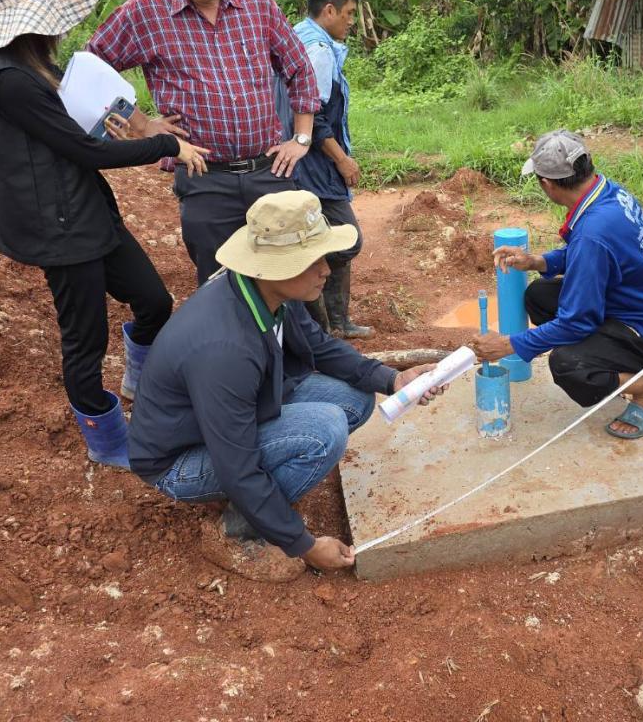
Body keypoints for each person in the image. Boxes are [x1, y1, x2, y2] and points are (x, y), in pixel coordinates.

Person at [127, 190, 445, 579]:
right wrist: (303, 545)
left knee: (355, 398)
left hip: (233, 415)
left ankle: (265, 500)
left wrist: (392, 378)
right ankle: (239, 529)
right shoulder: (225, 350)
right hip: (178, 461)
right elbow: (237, 466)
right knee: (324, 430)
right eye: (312, 260)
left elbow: (318, 345)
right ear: (274, 266)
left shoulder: (267, 291)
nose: (326, 270)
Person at [0, 0, 209, 467]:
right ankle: (108, 443)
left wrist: (126, 123)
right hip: (57, 228)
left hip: (83, 210)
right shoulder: (8, 78)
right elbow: (85, 151)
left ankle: (140, 383)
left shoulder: (33, 66)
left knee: (152, 300)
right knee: (85, 340)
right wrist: (166, 145)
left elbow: (66, 139)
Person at [87, 0, 321, 285]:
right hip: (204, 179)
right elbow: (91, 66)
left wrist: (301, 138)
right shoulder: (145, 13)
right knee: (221, 285)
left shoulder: (257, 5)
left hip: (269, 171)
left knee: (289, 278)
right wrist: (144, 124)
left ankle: (292, 347)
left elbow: (299, 69)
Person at [471, 131, 643, 439]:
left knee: (567, 364)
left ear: (547, 184)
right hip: (636, 302)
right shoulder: (609, 194)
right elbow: (593, 254)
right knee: (538, 295)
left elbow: (577, 318)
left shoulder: (593, 232)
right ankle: (606, 365)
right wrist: (538, 262)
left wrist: (508, 345)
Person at [290, 0, 371, 338]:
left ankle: (336, 323)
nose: (352, 21)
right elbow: (314, 115)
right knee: (345, 238)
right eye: (350, 13)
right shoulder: (318, 52)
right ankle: (322, 328)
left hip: (302, 160)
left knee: (326, 237)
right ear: (329, 10)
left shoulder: (299, 35)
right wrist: (341, 158)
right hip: (314, 164)